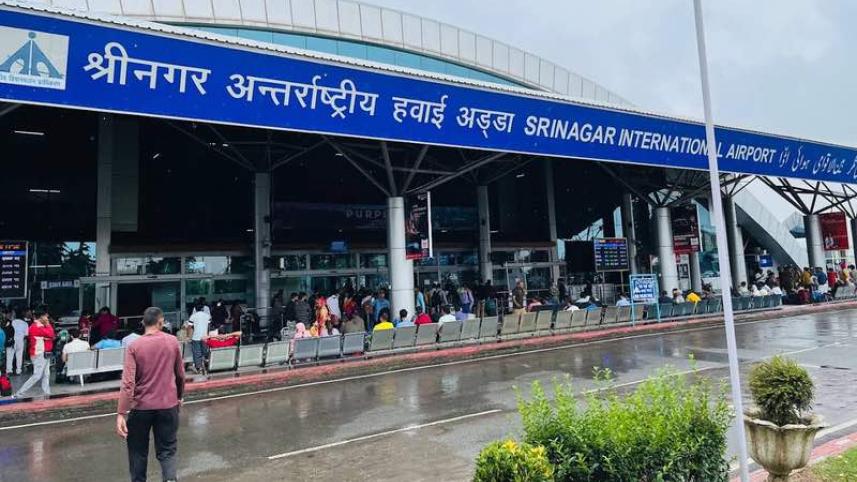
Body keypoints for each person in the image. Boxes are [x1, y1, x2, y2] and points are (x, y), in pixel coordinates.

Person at [117, 307, 185, 482]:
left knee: (138, 452)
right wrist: (179, 397)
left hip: (141, 407)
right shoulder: (172, 341)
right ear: (160, 322)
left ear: (143, 323)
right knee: (167, 452)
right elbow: (180, 375)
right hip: (168, 405)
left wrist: (121, 413)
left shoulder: (134, 346)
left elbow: (128, 383)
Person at [12, 309, 55, 399]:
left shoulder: (39, 326)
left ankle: (47, 392)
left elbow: (50, 335)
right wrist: (48, 324)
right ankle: (20, 392)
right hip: (39, 353)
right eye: (45, 316)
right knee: (37, 375)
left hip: (44, 353)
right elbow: (51, 334)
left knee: (46, 374)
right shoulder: (35, 327)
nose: (47, 318)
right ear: (41, 317)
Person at [186, 302, 212, 374]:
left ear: (195, 309)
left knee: (197, 353)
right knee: (205, 351)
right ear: (203, 309)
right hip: (205, 337)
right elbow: (209, 326)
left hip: (196, 337)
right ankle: (206, 365)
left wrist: (188, 336)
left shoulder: (193, 316)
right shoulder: (207, 316)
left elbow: (189, 327)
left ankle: (199, 368)